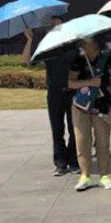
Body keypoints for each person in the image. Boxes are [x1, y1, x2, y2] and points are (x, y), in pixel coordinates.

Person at [21, 16, 79, 176]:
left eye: (58, 26)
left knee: (74, 128)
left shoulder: (73, 46)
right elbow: (26, 60)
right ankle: (60, 163)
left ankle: (74, 161)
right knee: (57, 129)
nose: (55, 29)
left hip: (73, 91)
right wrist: (29, 40)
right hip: (54, 91)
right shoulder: (46, 46)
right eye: (52, 26)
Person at [68, 38, 111, 191]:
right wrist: (89, 82)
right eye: (82, 42)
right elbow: (70, 83)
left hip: (102, 106)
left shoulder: (108, 59)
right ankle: (85, 176)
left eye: (86, 41)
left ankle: (105, 176)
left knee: (103, 142)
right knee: (82, 141)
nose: (83, 44)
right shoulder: (78, 60)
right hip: (81, 107)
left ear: (96, 42)